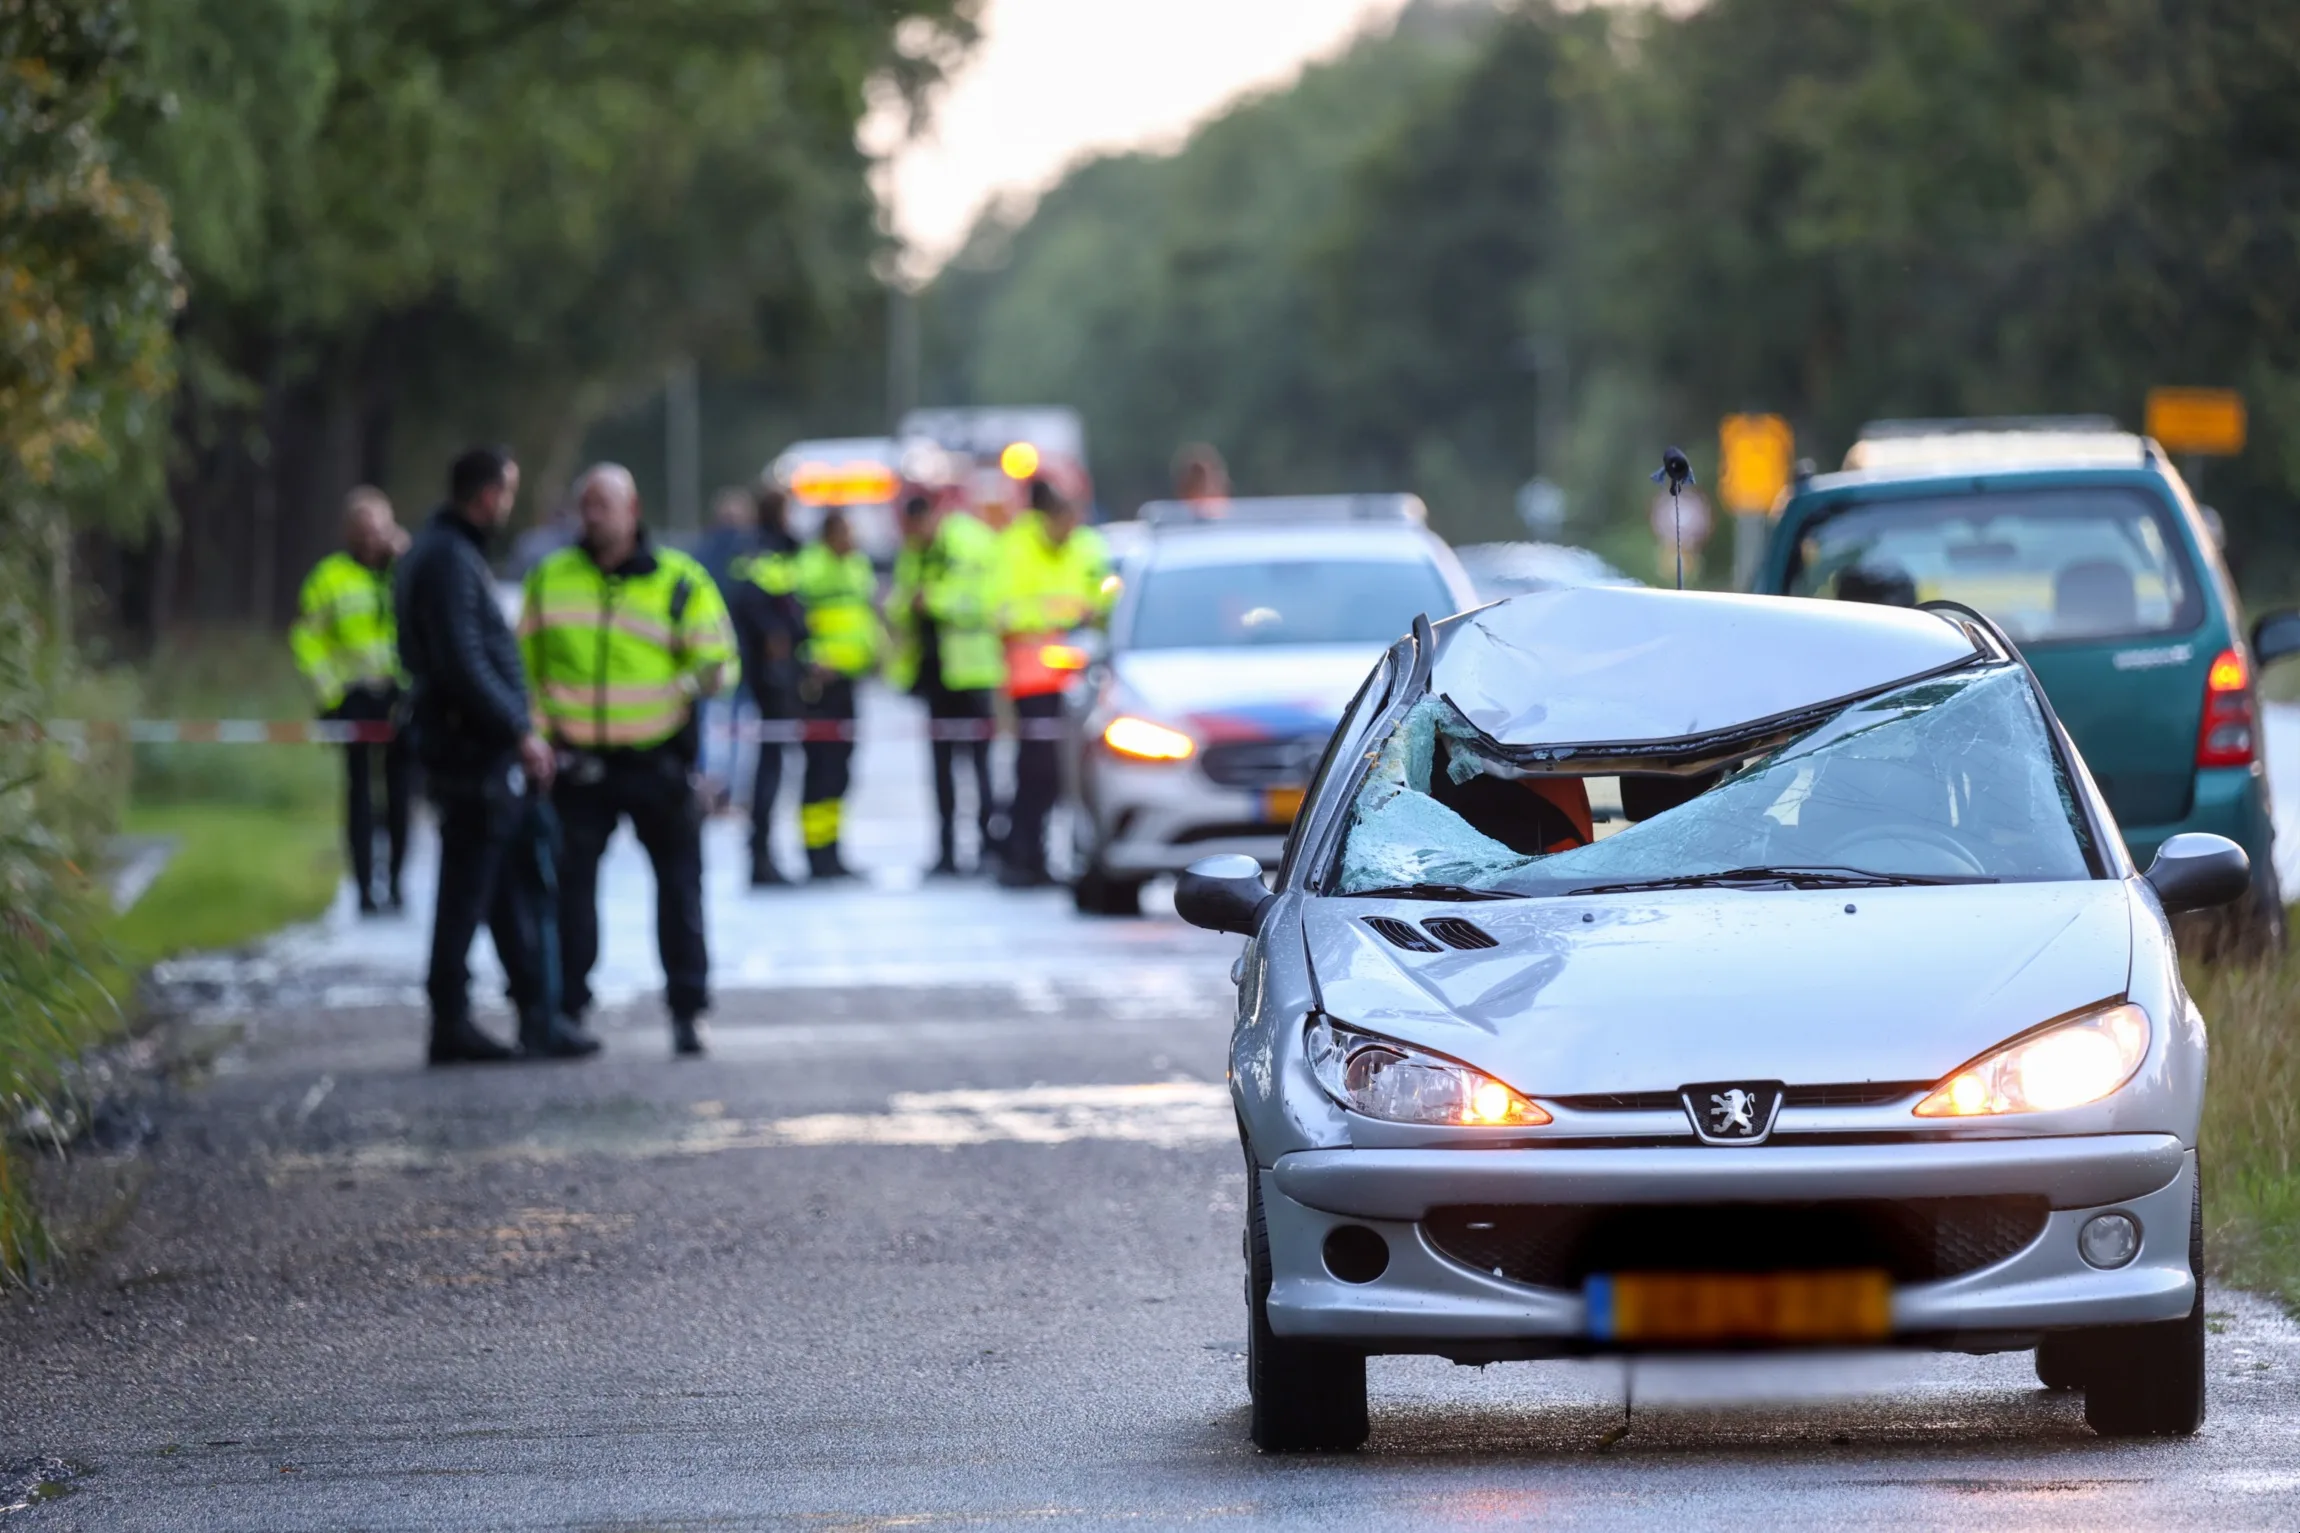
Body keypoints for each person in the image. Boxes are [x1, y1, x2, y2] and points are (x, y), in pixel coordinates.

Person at [519, 464, 737, 1057]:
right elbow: (526, 668)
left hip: (657, 761)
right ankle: (566, 1010)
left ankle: (689, 1011)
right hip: (578, 763)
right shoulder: (549, 579)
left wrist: (698, 683)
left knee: (680, 893)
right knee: (570, 894)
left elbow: (718, 659)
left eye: (605, 504)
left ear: (632, 509)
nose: (594, 515)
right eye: (586, 504)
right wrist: (539, 735)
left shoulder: (680, 580)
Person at [394, 447, 587, 1064]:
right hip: (472, 752)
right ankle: (452, 1019)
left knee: (498, 886)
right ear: (486, 495)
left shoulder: (445, 551)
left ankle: (535, 1014)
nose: (508, 505)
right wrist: (517, 729)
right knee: (466, 892)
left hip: (474, 748)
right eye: (506, 492)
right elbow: (462, 659)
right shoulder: (450, 558)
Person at [292, 486, 412, 915]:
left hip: (402, 698)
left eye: (379, 529)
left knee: (401, 794)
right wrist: (330, 697)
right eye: (362, 530)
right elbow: (307, 640)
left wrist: (406, 558)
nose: (371, 538)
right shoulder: (329, 577)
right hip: (354, 699)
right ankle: (364, 889)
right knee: (360, 795)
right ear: (348, 532)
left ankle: (396, 883)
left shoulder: (405, 572)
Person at [993, 478, 1111, 888]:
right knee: (1036, 771)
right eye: (1063, 520)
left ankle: (1040, 853)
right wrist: (1064, 614)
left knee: (1070, 775)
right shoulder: (1014, 547)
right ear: (1047, 517)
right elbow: (1004, 612)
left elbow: (1105, 599)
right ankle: (1020, 853)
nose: (1069, 528)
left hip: (1083, 680)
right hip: (1034, 682)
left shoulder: (1086, 546)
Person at [888, 492, 1005, 876]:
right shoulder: (914, 550)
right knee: (940, 771)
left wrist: (934, 601)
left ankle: (989, 847)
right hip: (934, 676)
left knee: (980, 768)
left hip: (971, 675)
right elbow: (900, 600)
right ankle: (946, 852)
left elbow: (985, 601)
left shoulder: (970, 541)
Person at [791, 509, 883, 881]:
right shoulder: (809, 568)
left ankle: (833, 850)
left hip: (849, 681)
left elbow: (864, 617)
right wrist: (809, 661)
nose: (854, 539)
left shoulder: (856, 565)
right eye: (847, 532)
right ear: (829, 534)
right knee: (820, 772)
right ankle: (816, 855)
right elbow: (793, 624)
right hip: (818, 686)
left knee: (841, 772)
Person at [728, 486, 806, 886]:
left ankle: (766, 853)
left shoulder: (780, 548)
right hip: (771, 674)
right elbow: (758, 605)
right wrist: (778, 642)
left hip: (781, 671)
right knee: (770, 767)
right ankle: (760, 854)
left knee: (776, 766)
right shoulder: (764, 550)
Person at [691, 488, 764, 809]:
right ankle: (729, 790)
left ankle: (707, 786)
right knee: (738, 729)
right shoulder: (751, 553)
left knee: (708, 726)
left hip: (705, 656)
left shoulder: (700, 553)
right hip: (742, 654)